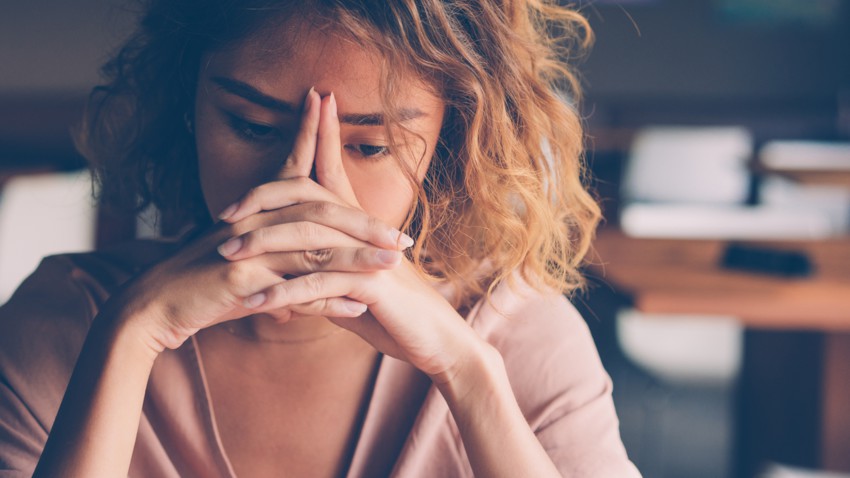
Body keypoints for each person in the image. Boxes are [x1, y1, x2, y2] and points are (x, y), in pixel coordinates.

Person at [0, 0, 641, 476]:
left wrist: (468, 375)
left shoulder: (516, 337)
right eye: (251, 126)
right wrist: (132, 337)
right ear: (185, 107)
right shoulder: (68, 322)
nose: (306, 188)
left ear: (452, 142)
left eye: (370, 145)